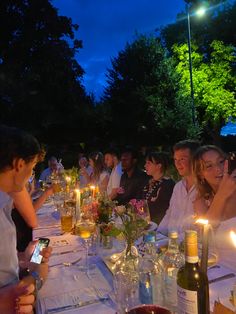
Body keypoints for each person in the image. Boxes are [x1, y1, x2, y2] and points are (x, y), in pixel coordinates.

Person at [0, 125, 52, 313]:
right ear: (19, 165)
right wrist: (37, 275)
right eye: (32, 168)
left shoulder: (4, 201)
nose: (31, 176)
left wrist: (25, 259)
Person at [158, 140, 200, 237]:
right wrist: (158, 234)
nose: (177, 164)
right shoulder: (178, 187)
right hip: (170, 244)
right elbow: (170, 213)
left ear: (195, 160)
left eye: (182, 159)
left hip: (190, 246)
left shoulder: (205, 189)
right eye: (175, 159)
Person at [192, 145, 236, 225]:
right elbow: (207, 233)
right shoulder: (202, 201)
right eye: (209, 166)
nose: (218, 168)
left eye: (221, 161)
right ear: (200, 174)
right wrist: (221, 195)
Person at [143, 152, 175, 224]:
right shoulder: (149, 183)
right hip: (147, 221)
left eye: (149, 163)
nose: (145, 166)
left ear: (158, 166)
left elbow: (160, 208)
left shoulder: (167, 185)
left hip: (159, 225)